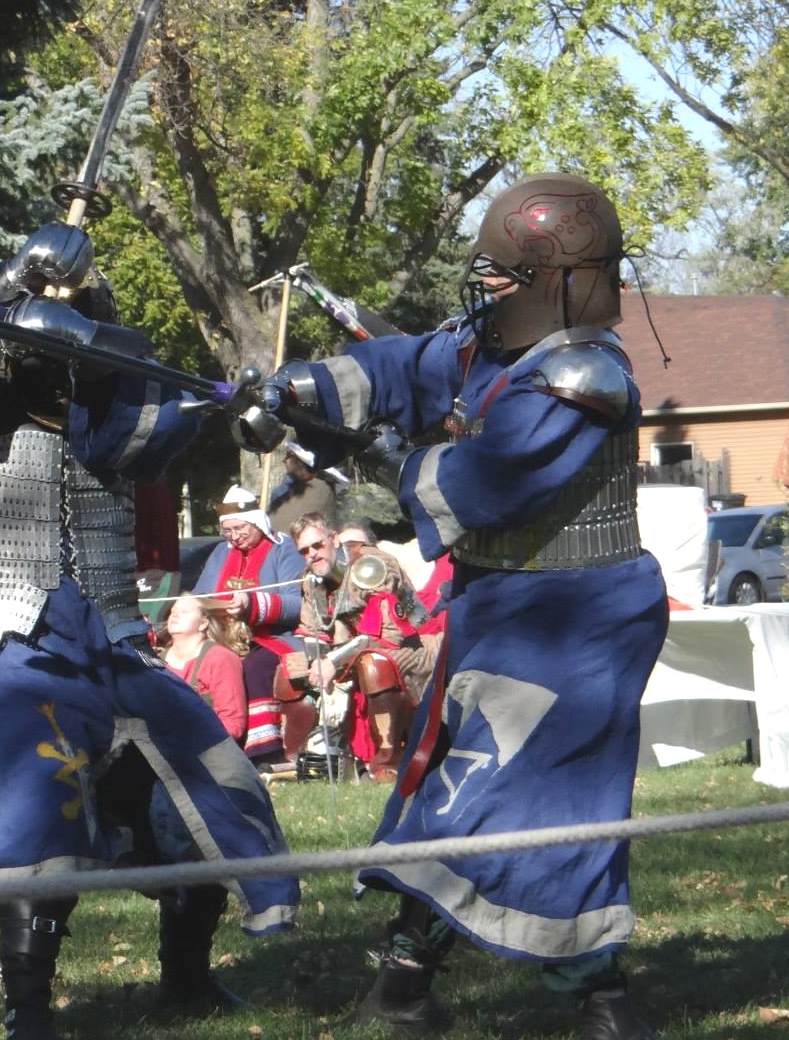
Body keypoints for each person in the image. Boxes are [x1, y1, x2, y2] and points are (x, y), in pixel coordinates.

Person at [251, 172, 668, 1039]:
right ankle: (453, 989)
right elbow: (399, 362)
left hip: (577, 623)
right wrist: (293, 394)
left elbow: (489, 480)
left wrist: (389, 456)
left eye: (503, 275)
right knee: (473, 795)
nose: (483, 288)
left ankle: (563, 995)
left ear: (558, 281)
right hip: (504, 613)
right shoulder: (488, 351)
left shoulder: (579, 378)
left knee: (511, 805)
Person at [0, 222, 298, 1040]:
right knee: (33, 810)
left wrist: (213, 393)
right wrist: (6, 281)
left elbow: (152, 423)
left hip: (113, 644)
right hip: (9, 649)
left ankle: (187, 979)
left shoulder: (106, 425)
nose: (53, 368)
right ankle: (26, 1008)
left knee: (205, 777)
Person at [292, 515, 440, 781]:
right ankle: (306, 761)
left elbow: (387, 636)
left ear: (334, 539)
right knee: (289, 669)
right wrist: (316, 662)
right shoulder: (312, 580)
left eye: (317, 545)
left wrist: (332, 662)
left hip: (415, 642)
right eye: (304, 551)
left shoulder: (372, 566)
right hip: (355, 649)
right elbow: (312, 629)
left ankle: (388, 760)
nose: (312, 555)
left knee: (374, 664)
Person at [192, 485, 304, 769]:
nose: (234, 537)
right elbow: (201, 595)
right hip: (220, 635)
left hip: (270, 636)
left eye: (240, 528)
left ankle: (263, 752)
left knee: (254, 667)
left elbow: (296, 603)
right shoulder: (220, 553)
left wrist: (251, 604)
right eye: (228, 531)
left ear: (256, 521)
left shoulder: (283, 549)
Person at [157, 593, 248, 742]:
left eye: (184, 611)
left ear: (203, 623)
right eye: (172, 611)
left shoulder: (219, 658)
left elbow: (233, 723)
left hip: (208, 749)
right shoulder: (156, 661)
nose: (175, 615)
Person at [267, 440, 339, 534]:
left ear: (300, 462)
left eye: (289, 456)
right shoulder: (286, 490)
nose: (284, 460)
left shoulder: (319, 489)